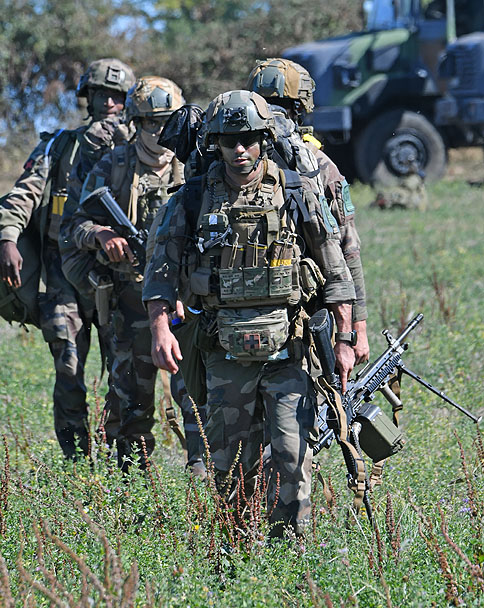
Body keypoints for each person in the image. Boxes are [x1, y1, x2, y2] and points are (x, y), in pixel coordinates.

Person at [144, 90, 356, 537]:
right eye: (228, 141)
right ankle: (236, 563)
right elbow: (160, 267)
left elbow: (335, 267)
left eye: (248, 140)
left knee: (294, 463)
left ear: (263, 138)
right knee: (229, 472)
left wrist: (345, 338)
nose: (239, 150)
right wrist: (161, 328)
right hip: (224, 354)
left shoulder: (296, 192)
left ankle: (288, 568)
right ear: (215, 144)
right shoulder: (193, 197)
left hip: (289, 353)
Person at [0, 58, 134, 459]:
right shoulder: (58, 146)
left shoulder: (134, 148)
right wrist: (8, 236)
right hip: (63, 276)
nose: (109, 102)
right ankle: (75, 462)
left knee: (125, 375)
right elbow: (25, 192)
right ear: (86, 97)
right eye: (100, 94)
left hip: (118, 272)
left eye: (117, 95)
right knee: (68, 369)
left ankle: (126, 462)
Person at [70, 76, 188, 471]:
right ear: (136, 123)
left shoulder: (195, 167)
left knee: (201, 397)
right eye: (151, 123)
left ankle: (211, 481)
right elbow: (74, 225)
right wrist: (102, 234)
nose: (160, 132)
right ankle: (132, 480)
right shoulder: (114, 164)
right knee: (131, 398)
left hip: (188, 299)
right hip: (130, 297)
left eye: (168, 122)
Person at [247, 58, 370, 364]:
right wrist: (357, 328)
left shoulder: (230, 162)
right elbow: (348, 249)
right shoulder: (317, 165)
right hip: (306, 313)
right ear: (301, 107)